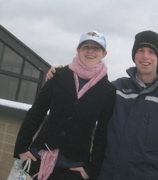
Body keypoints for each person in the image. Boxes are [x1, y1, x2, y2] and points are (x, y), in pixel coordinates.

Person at [46, 30, 158, 180]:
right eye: (140, 51)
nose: (145, 56)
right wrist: (59, 74)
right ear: (134, 55)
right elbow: (82, 98)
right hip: (107, 174)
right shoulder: (117, 88)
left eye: (151, 52)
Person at [13, 30, 116, 180]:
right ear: (78, 50)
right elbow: (36, 113)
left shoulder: (108, 90)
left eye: (96, 48)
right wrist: (21, 148)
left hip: (73, 169)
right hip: (37, 161)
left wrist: (92, 169)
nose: (90, 51)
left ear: (104, 53)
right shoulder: (59, 75)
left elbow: (102, 134)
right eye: (85, 46)